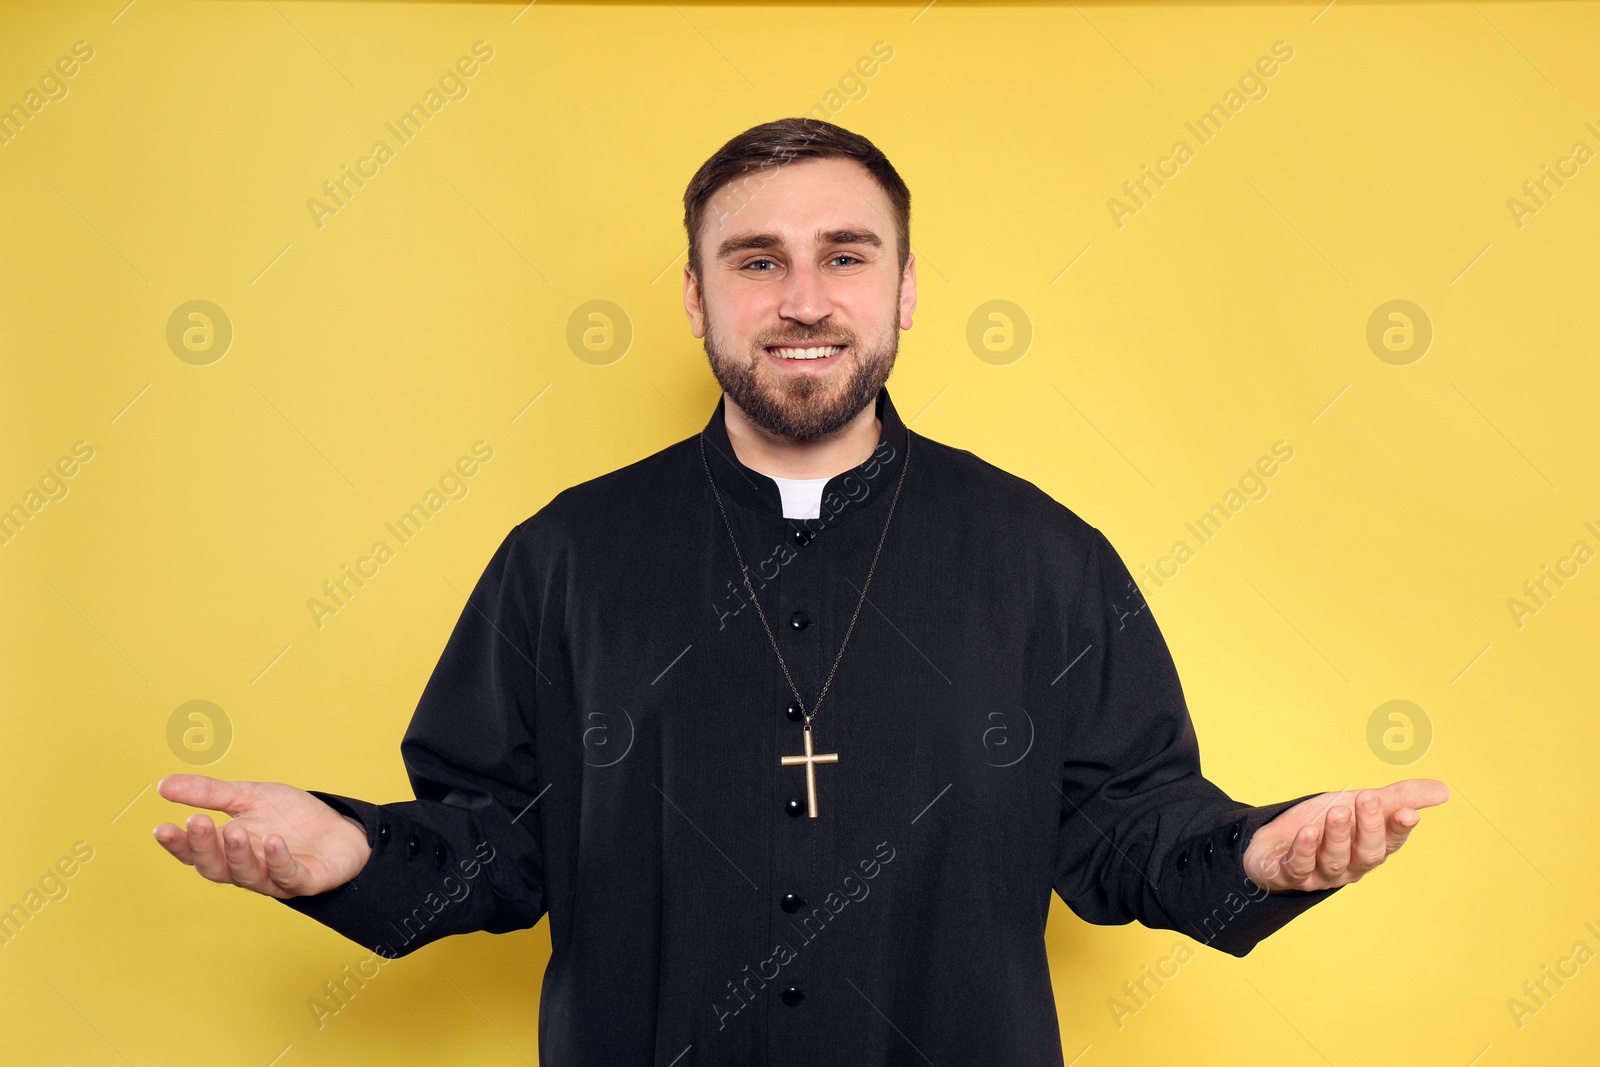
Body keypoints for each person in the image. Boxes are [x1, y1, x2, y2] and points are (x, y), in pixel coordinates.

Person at [154, 117, 1448, 1065]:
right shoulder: (567, 556)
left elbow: (1122, 829)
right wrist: (352, 855)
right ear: (696, 293)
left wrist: (1264, 857)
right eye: (757, 260)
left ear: (904, 286)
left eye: (844, 254)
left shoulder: (1044, 554)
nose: (804, 299)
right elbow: (498, 841)